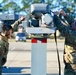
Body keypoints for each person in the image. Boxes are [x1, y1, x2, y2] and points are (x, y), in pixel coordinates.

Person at [53, 9, 76, 75]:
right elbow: (72, 21)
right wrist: (65, 15)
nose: (72, 23)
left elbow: (61, 27)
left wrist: (55, 16)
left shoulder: (72, 35)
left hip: (73, 65)